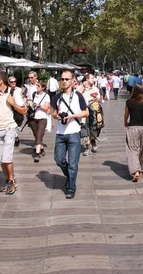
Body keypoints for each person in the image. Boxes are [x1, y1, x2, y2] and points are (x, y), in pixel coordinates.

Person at [52, 69, 89, 199]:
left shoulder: (78, 96)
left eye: (66, 79)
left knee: (73, 163)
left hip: (74, 132)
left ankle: (71, 187)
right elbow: (54, 112)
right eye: (62, 79)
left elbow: (86, 112)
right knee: (59, 159)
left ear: (73, 81)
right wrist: (57, 116)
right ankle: (70, 176)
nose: (64, 81)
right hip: (60, 133)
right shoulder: (57, 97)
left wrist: (72, 116)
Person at [28, 81, 51, 163]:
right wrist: (29, 104)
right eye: (36, 85)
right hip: (34, 118)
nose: (36, 87)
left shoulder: (46, 96)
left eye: (38, 86)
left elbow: (47, 108)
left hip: (42, 118)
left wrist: (39, 105)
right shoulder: (34, 94)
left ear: (43, 87)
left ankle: (37, 154)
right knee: (36, 135)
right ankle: (42, 149)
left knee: (39, 135)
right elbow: (30, 102)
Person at [79, 73, 101, 156]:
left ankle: (93, 141)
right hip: (84, 112)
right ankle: (87, 147)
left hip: (94, 113)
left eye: (93, 78)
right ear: (87, 79)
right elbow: (77, 94)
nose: (93, 79)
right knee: (85, 130)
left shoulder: (95, 88)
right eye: (92, 78)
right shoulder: (81, 87)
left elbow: (98, 98)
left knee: (94, 129)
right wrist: (83, 87)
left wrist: (96, 99)